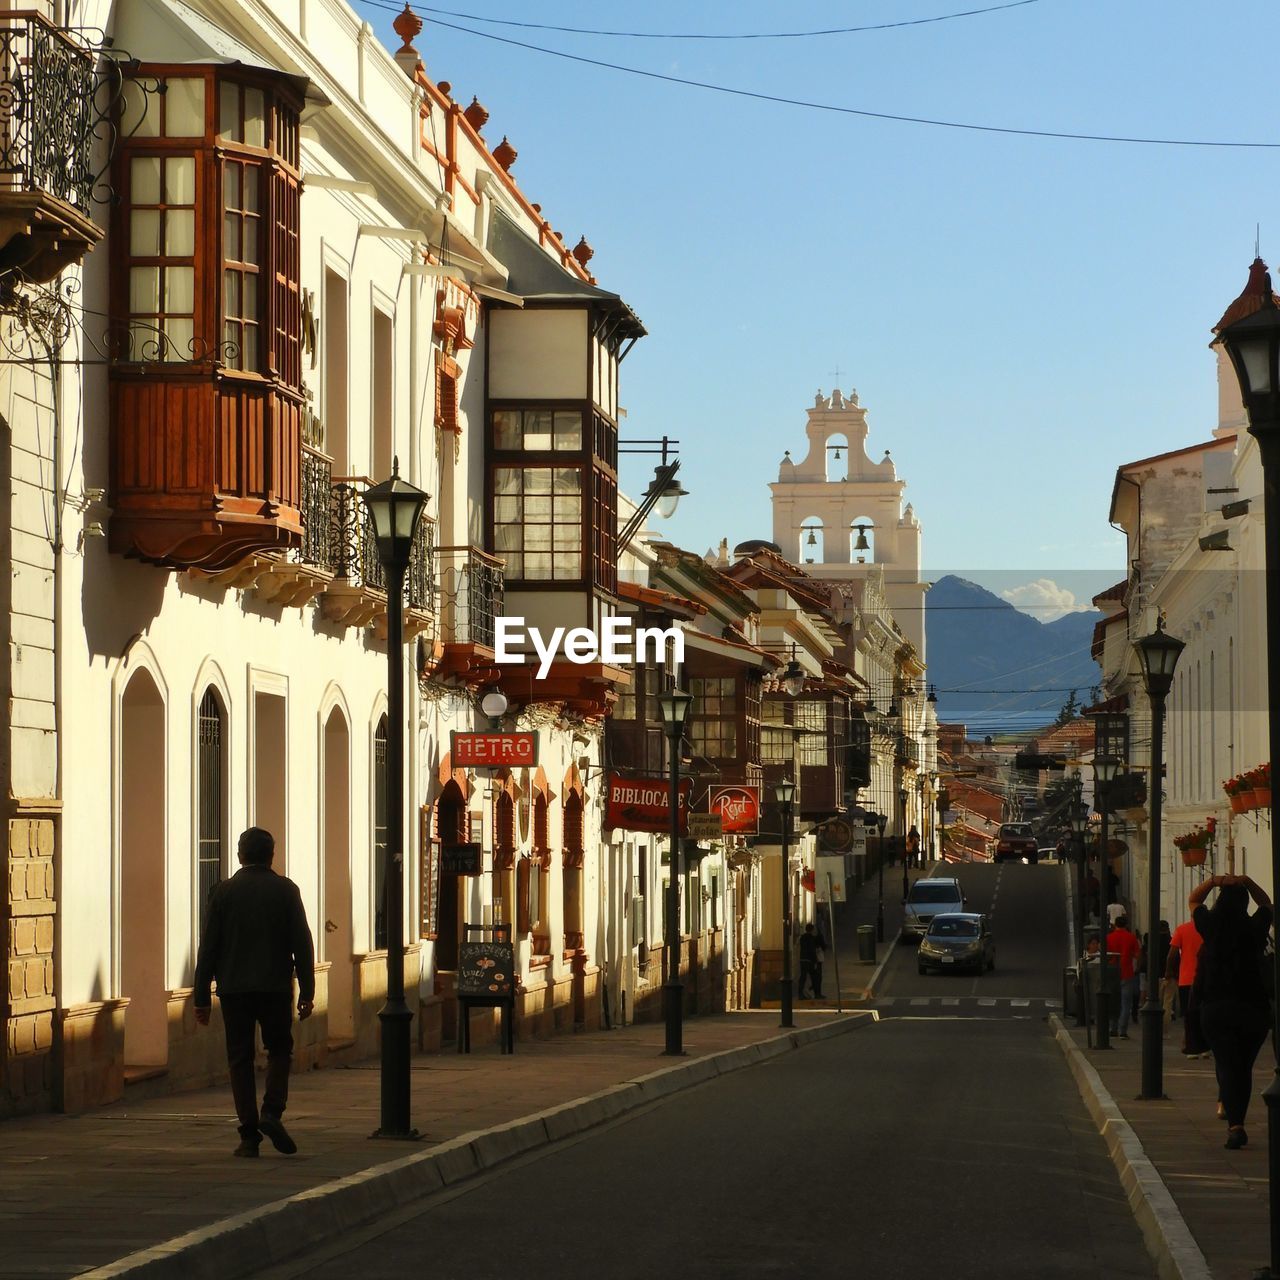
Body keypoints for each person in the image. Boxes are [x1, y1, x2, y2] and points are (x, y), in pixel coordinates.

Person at [194, 827, 316, 1158]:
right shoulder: (286, 891)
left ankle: (248, 1136)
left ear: (239, 855)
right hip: (275, 987)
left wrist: (201, 997)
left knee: (239, 1058)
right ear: (271, 855)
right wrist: (307, 990)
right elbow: (302, 944)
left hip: (233, 989)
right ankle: (272, 1112)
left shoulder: (223, 893)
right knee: (279, 1050)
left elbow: (208, 947)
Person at [1190, 873, 1273, 1149]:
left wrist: (1213, 882)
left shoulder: (1210, 928)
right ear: (1244, 903)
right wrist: (1248, 882)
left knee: (1226, 1062)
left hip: (1217, 1007)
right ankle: (1236, 1117)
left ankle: (1235, 1124)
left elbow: (1194, 899)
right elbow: (1267, 904)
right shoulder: (1255, 927)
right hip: (1253, 1007)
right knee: (1243, 1067)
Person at [1166, 915, 1208, 1056]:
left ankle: (1192, 1048)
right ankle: (1206, 1048)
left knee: (1189, 1014)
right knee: (1205, 1012)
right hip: (1207, 977)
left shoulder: (1182, 929)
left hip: (1186, 978)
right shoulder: (1209, 929)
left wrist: (1169, 970)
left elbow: (1172, 954)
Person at [1106, 913, 1142, 1039]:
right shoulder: (1131, 938)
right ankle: (1123, 1030)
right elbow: (1138, 955)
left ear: (1115, 925)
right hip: (1127, 972)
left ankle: (1112, 1027)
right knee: (1126, 1003)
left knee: (1113, 1000)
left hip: (1111, 972)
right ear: (1126, 925)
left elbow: (1105, 955)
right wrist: (1136, 968)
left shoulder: (1108, 937)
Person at [797, 923, 825, 999]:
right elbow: (812, 950)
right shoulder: (811, 939)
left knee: (803, 977)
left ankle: (800, 993)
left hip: (802, 959)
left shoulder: (802, 938)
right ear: (812, 930)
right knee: (815, 977)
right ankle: (817, 993)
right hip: (809, 961)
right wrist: (815, 961)